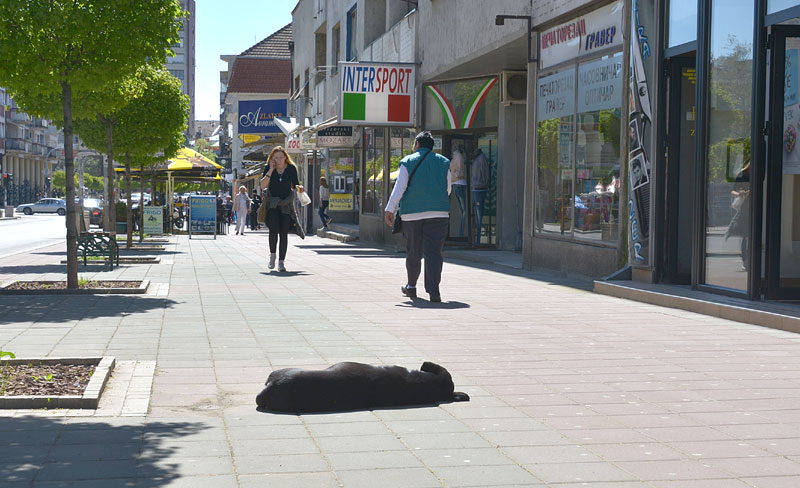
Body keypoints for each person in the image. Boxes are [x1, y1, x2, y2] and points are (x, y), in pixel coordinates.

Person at [384, 131, 451, 302]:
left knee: (413, 251)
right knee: (434, 252)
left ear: (417, 144)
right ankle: (434, 291)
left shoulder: (408, 161)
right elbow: (448, 189)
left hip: (412, 214)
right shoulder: (444, 162)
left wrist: (390, 209)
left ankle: (411, 286)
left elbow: (399, 188)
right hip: (439, 213)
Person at [260, 146, 305, 272]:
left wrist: (300, 188)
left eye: (281, 157)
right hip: (272, 204)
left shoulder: (291, 168)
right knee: (273, 230)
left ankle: (281, 262)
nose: (278, 160)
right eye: (275, 158)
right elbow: (262, 185)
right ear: (272, 159)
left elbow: (295, 184)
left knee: (284, 233)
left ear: (285, 157)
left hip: (286, 204)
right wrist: (271, 169)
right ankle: (272, 256)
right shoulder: (269, 168)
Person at [725, 160, 751, 271]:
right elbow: (733, 191)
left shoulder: (758, 174)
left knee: (749, 235)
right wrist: (740, 193)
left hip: (753, 207)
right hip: (744, 208)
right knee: (746, 235)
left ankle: (749, 260)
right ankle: (745, 260)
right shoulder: (742, 175)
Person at [471, 147, 489, 245]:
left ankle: (478, 239)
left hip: (479, 188)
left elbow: (485, 173)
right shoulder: (478, 159)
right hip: (477, 187)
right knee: (478, 213)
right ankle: (477, 238)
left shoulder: (481, 159)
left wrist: (483, 184)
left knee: (479, 214)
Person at [450, 144, 467, 237]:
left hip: (456, 183)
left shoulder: (455, 157)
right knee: (463, 210)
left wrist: (454, 175)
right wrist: (456, 175)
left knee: (462, 210)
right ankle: (462, 233)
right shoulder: (458, 156)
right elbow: (459, 170)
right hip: (459, 183)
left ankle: (462, 233)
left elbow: (457, 170)